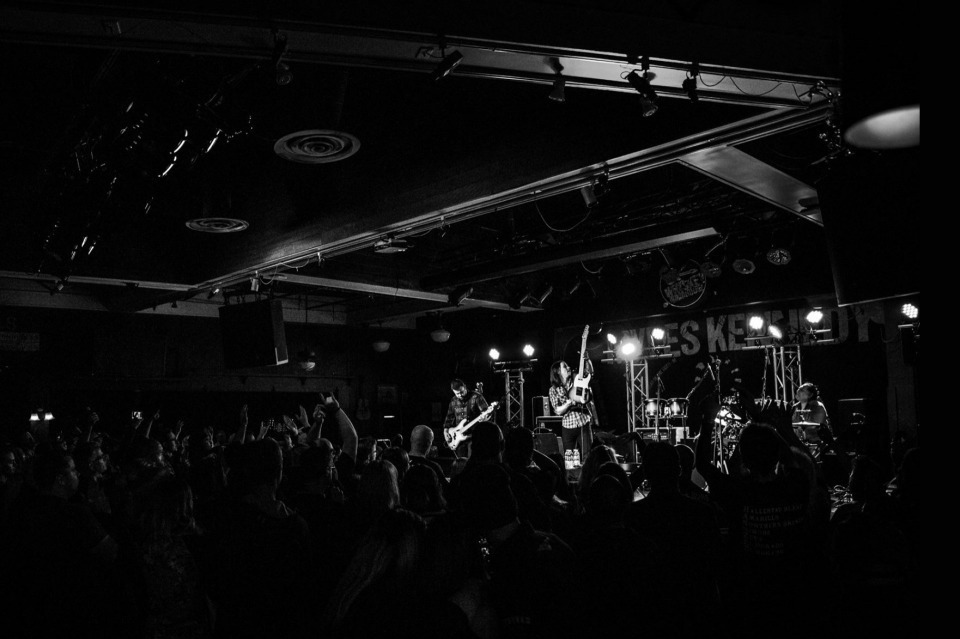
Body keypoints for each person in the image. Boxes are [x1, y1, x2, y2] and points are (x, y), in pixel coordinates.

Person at [548, 360, 595, 458]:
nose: (568, 367)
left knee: (588, 456)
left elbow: (589, 373)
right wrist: (569, 403)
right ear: (558, 371)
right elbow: (557, 410)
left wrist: (587, 360)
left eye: (567, 365)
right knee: (569, 458)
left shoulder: (576, 379)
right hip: (567, 426)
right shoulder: (553, 390)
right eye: (565, 366)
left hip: (583, 423)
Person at [442, 379, 490, 458]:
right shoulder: (453, 400)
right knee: (461, 461)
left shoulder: (476, 396)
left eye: (462, 392)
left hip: (474, 436)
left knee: (473, 460)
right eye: (457, 393)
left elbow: (486, 412)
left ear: (464, 387)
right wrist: (446, 431)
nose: (460, 395)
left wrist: (484, 418)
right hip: (459, 438)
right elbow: (449, 418)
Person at [792, 382, 831, 449]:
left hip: (818, 444)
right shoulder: (795, 407)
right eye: (798, 389)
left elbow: (815, 426)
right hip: (800, 443)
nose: (798, 391)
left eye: (802, 390)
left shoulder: (818, 406)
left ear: (810, 395)